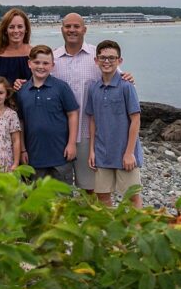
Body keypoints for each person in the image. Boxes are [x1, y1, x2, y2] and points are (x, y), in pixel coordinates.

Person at [49, 13, 134, 194]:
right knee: (57, 188)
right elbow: (38, 80)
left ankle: (90, 220)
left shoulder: (97, 57)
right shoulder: (52, 59)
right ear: (62, 29)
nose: (72, 30)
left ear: (84, 29)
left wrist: (128, 76)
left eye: (76, 26)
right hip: (58, 133)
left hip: (88, 132)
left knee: (90, 187)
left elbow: (118, 79)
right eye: (68, 26)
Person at [86, 40, 143, 208]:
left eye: (112, 58)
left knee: (132, 197)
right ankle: (109, 231)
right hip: (102, 153)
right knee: (102, 195)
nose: (107, 62)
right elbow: (93, 120)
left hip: (125, 153)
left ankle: (137, 233)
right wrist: (91, 151)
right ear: (96, 60)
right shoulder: (94, 88)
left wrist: (129, 153)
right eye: (103, 58)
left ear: (119, 61)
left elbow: (135, 120)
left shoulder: (127, 86)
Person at [14, 45, 79, 183]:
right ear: (29, 63)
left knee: (62, 200)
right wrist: (22, 150)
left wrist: (72, 143)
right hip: (33, 157)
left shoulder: (61, 87)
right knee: (35, 199)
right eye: (37, 62)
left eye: (45, 63)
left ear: (52, 65)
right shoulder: (22, 91)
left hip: (60, 156)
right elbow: (20, 122)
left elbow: (73, 114)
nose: (41, 66)